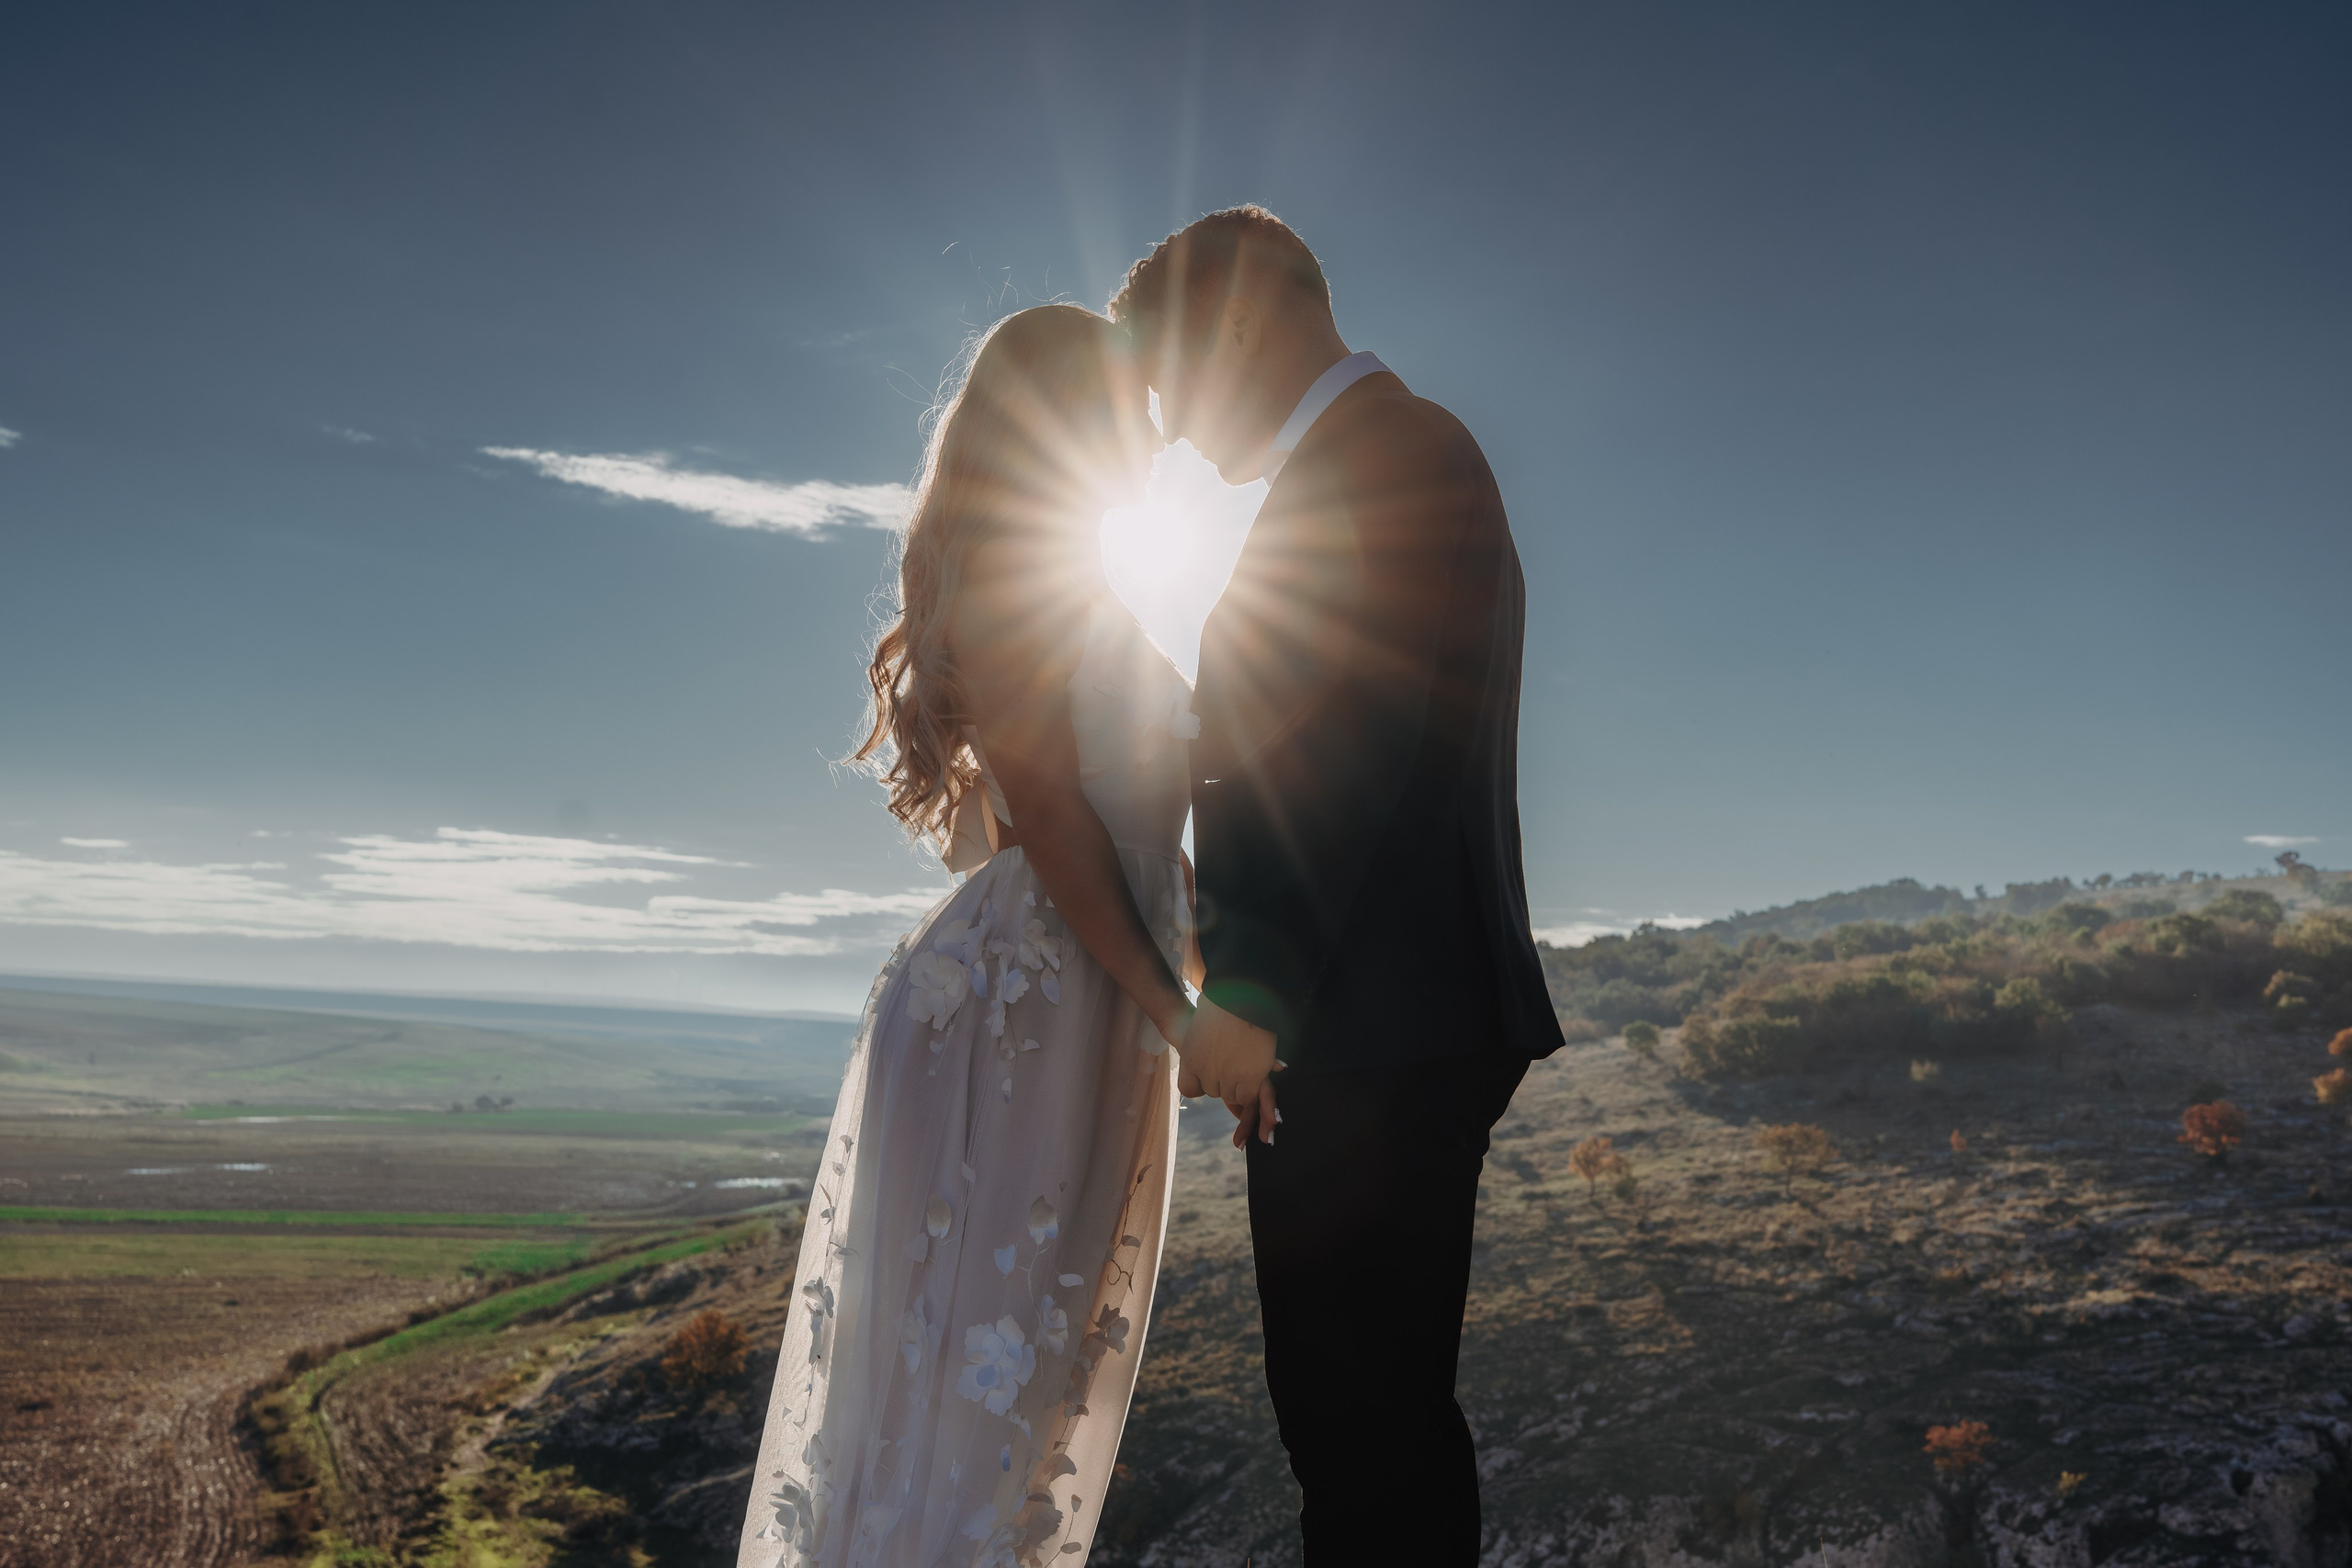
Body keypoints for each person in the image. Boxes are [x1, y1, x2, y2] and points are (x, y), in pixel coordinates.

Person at [1109, 207, 1564, 1564]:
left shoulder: (1384, 454)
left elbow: (1347, 748)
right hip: (1386, 1014)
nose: (1174, 436)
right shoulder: (1389, 452)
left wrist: (1256, 992)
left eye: (1170, 387)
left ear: (1242, 323)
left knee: (1360, 1434)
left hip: (1374, 1023)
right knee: (1373, 1428)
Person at [737, 304, 1199, 1568]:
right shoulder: (1016, 571)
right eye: (1129, 407)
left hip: (1075, 999)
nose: (1153, 433)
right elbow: (1048, 815)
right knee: (968, 1394)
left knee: (1015, 1397)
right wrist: (1180, 1013)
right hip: (1025, 1016)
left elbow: (1116, 824)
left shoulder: (1082, 580)